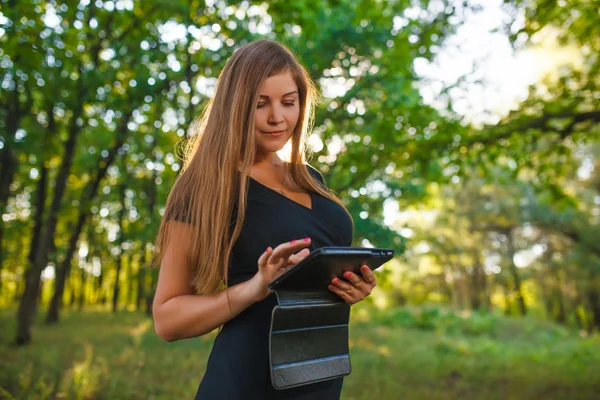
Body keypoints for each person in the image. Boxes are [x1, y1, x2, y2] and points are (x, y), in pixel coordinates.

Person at [152, 39, 377, 400]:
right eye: (260, 104)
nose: (278, 117)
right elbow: (167, 319)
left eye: (289, 102)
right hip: (246, 382)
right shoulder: (205, 186)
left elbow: (313, 280)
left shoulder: (310, 179)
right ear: (234, 107)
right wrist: (255, 287)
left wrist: (349, 286)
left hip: (320, 374)